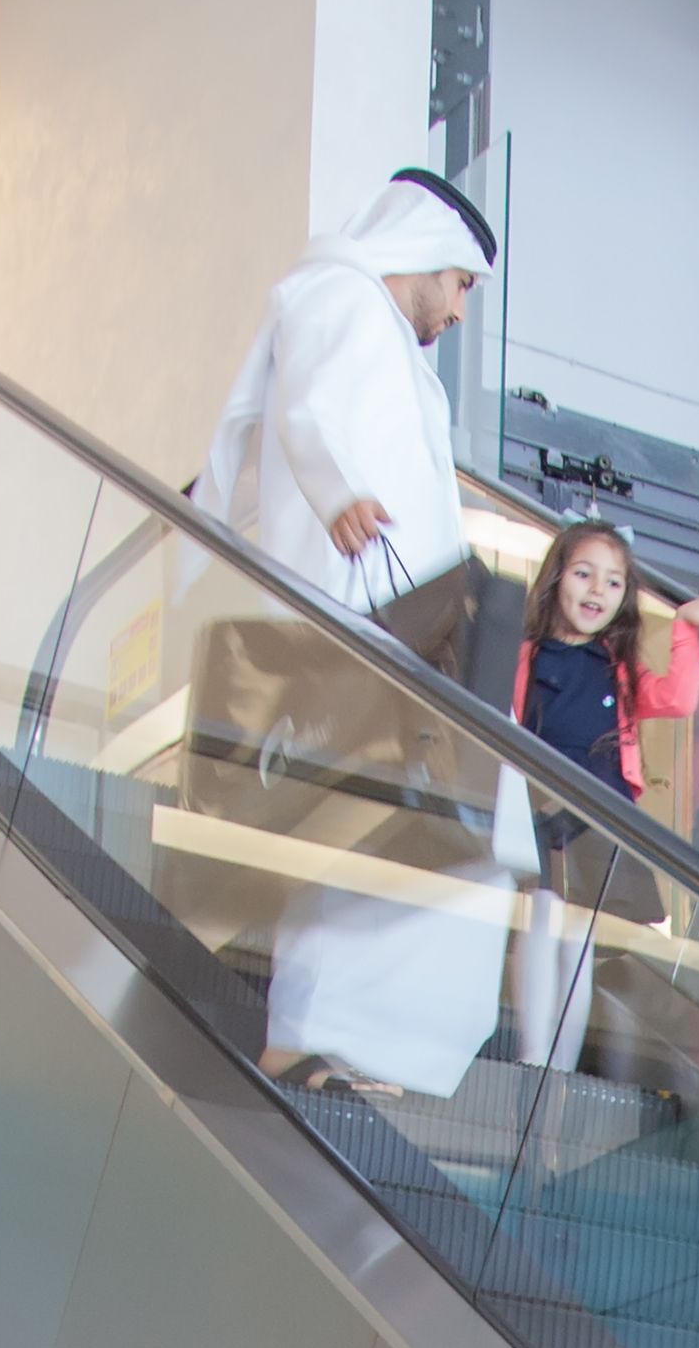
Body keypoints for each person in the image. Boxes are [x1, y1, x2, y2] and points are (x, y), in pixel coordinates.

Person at [193, 169, 518, 1098]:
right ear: (422, 253)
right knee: (362, 826)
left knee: (430, 839)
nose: (460, 311)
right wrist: (337, 496)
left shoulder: (391, 341)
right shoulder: (337, 295)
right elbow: (305, 410)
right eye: (460, 284)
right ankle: (309, 1036)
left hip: (406, 623)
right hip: (361, 614)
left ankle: (360, 1045)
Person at [503, 518, 699, 1076]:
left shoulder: (618, 669)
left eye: (614, 582)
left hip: (601, 813)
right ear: (555, 578)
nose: (597, 591)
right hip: (540, 804)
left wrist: (685, 628)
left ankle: (559, 1074)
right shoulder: (526, 656)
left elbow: (678, 698)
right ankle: (529, 1057)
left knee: (577, 947)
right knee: (539, 926)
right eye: (584, 574)